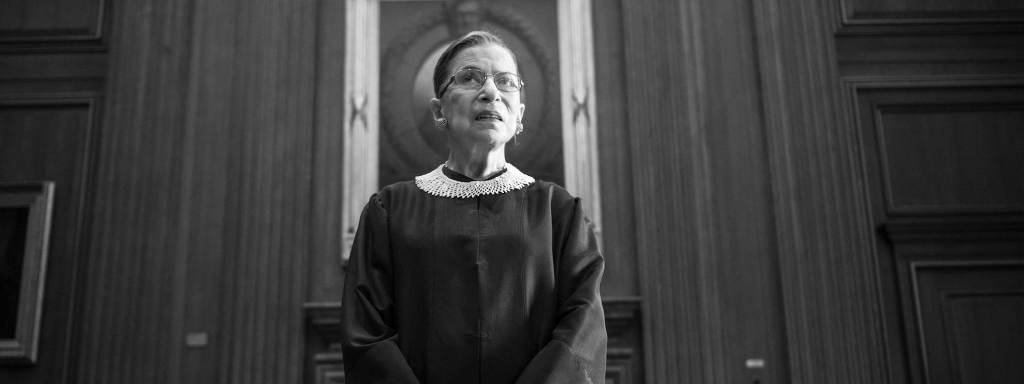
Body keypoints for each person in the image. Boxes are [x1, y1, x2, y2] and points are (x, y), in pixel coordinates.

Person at [341, 30, 607, 384]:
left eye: (506, 82)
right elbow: (367, 334)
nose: (491, 92)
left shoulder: (559, 212)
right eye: (470, 78)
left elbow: (581, 333)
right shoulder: (389, 210)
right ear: (439, 110)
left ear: (520, 114)